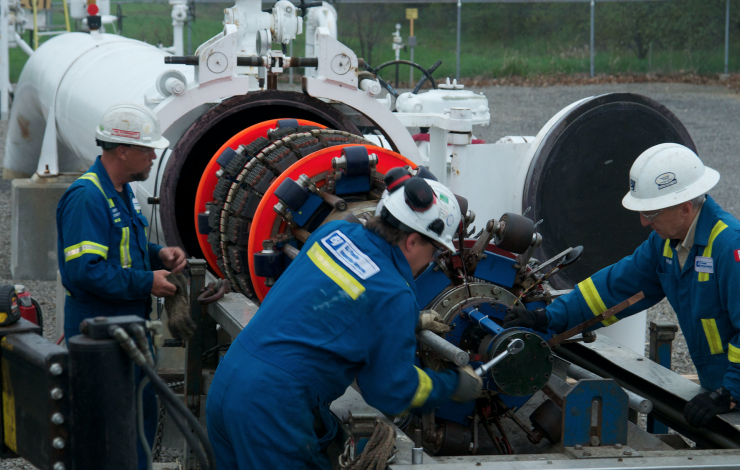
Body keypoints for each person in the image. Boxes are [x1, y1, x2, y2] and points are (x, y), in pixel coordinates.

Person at [206, 168, 483, 469]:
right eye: (434, 252)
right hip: (272, 409)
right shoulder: (395, 294)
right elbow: (391, 390)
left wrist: (408, 324)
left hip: (228, 382)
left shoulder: (332, 233)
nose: (431, 262)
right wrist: (452, 384)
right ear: (413, 241)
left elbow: (325, 302)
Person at [504, 143, 739, 429]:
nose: (643, 222)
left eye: (650, 213)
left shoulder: (729, 247)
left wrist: (730, 392)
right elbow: (611, 289)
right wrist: (548, 317)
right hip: (721, 394)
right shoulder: (666, 245)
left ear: (685, 208)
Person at [56, 102, 191, 469]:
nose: (152, 158)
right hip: (101, 331)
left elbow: (123, 251)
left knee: (136, 423)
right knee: (110, 430)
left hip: (127, 326)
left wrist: (157, 255)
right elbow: (85, 272)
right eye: (148, 150)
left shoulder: (120, 190)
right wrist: (147, 282)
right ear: (123, 151)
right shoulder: (88, 198)